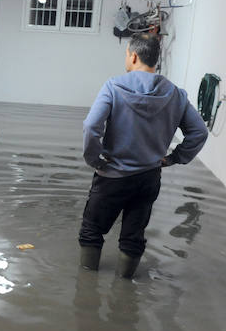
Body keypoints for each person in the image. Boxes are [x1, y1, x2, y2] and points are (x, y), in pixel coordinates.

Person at [80, 33, 208, 278]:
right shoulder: (175, 94)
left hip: (112, 176)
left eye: (126, 54)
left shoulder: (114, 86)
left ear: (134, 56)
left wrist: (94, 160)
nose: (126, 58)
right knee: (133, 236)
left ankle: (87, 288)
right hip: (149, 177)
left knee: (92, 230)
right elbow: (199, 132)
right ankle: (124, 290)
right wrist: (173, 158)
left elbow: (91, 127)